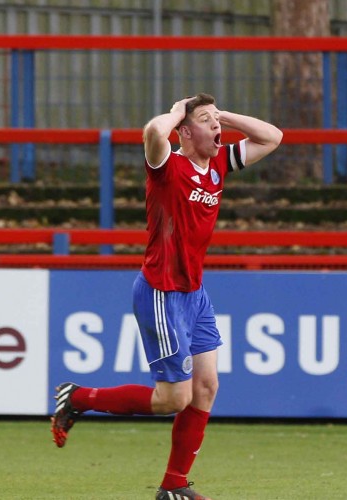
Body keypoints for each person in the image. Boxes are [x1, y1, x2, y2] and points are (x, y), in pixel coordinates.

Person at [51, 93, 283, 500]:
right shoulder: (167, 167)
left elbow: (273, 137)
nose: (217, 128)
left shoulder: (217, 167)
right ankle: (80, 398)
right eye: (207, 122)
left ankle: (174, 485)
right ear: (185, 132)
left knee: (207, 387)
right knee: (173, 399)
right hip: (162, 291)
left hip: (195, 293)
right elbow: (152, 132)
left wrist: (219, 113)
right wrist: (180, 112)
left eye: (218, 122)